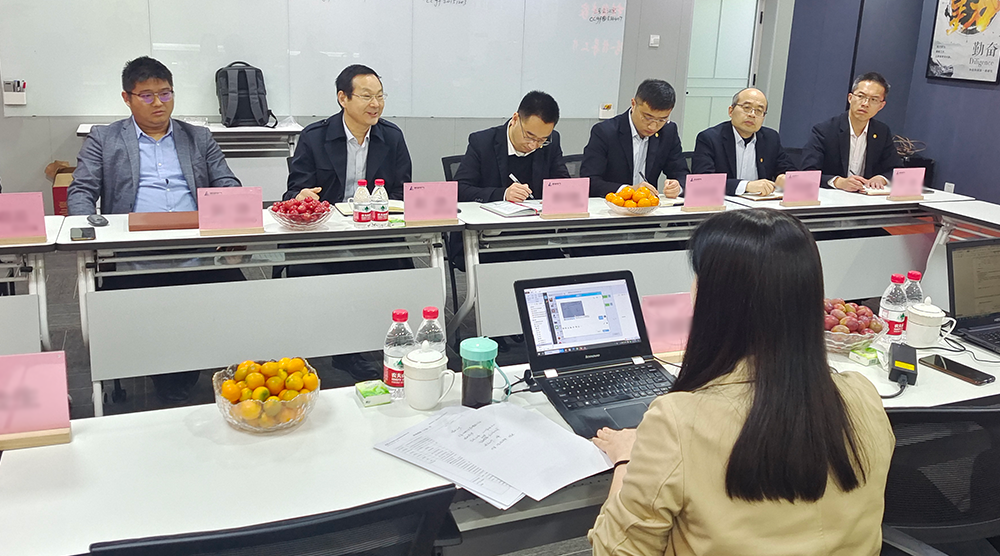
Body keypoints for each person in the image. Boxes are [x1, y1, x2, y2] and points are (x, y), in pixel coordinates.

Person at [588, 208, 895, 555]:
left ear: (714, 299)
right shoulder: (862, 396)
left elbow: (617, 551)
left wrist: (627, 460)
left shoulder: (677, 421)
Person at [67, 56, 244, 401]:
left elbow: (226, 181)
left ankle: (229, 364)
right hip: (135, 251)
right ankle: (170, 371)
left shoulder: (197, 137)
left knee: (243, 299)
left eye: (165, 93)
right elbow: (81, 190)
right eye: (146, 96)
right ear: (127, 98)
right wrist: (88, 233)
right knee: (155, 312)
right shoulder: (105, 138)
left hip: (197, 247)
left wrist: (232, 218)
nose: (158, 103)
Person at [284, 64, 411, 205]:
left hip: (375, 216)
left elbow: (402, 192)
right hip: (329, 216)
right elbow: (294, 193)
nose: (376, 104)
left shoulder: (392, 137)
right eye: (367, 96)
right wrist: (300, 197)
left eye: (380, 96)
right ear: (343, 98)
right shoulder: (314, 138)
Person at [455, 91, 569, 203]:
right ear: (515, 119)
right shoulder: (482, 142)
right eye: (529, 136)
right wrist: (503, 194)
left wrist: (557, 197)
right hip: (492, 215)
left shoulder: (552, 141)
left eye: (542, 140)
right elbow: (460, 189)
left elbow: (564, 184)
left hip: (537, 214)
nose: (533, 145)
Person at [581, 79, 687, 199]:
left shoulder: (668, 131)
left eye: (662, 120)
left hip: (648, 206)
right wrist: (628, 190)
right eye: (647, 118)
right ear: (633, 104)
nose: (653, 126)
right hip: (612, 205)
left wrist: (678, 187)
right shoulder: (605, 132)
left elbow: (681, 173)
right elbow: (590, 181)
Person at [801, 72, 902, 192]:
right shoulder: (825, 131)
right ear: (850, 98)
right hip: (832, 196)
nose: (865, 104)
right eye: (861, 96)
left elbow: (896, 170)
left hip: (865, 197)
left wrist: (881, 178)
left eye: (874, 99)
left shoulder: (882, 132)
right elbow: (807, 172)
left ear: (881, 106)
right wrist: (839, 182)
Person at [691, 88, 795, 196]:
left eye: (759, 111)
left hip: (760, 203)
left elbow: (790, 171)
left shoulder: (771, 138)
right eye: (746, 108)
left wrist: (785, 178)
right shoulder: (710, 138)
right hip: (723, 202)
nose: (752, 115)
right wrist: (746, 186)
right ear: (731, 111)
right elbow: (703, 181)